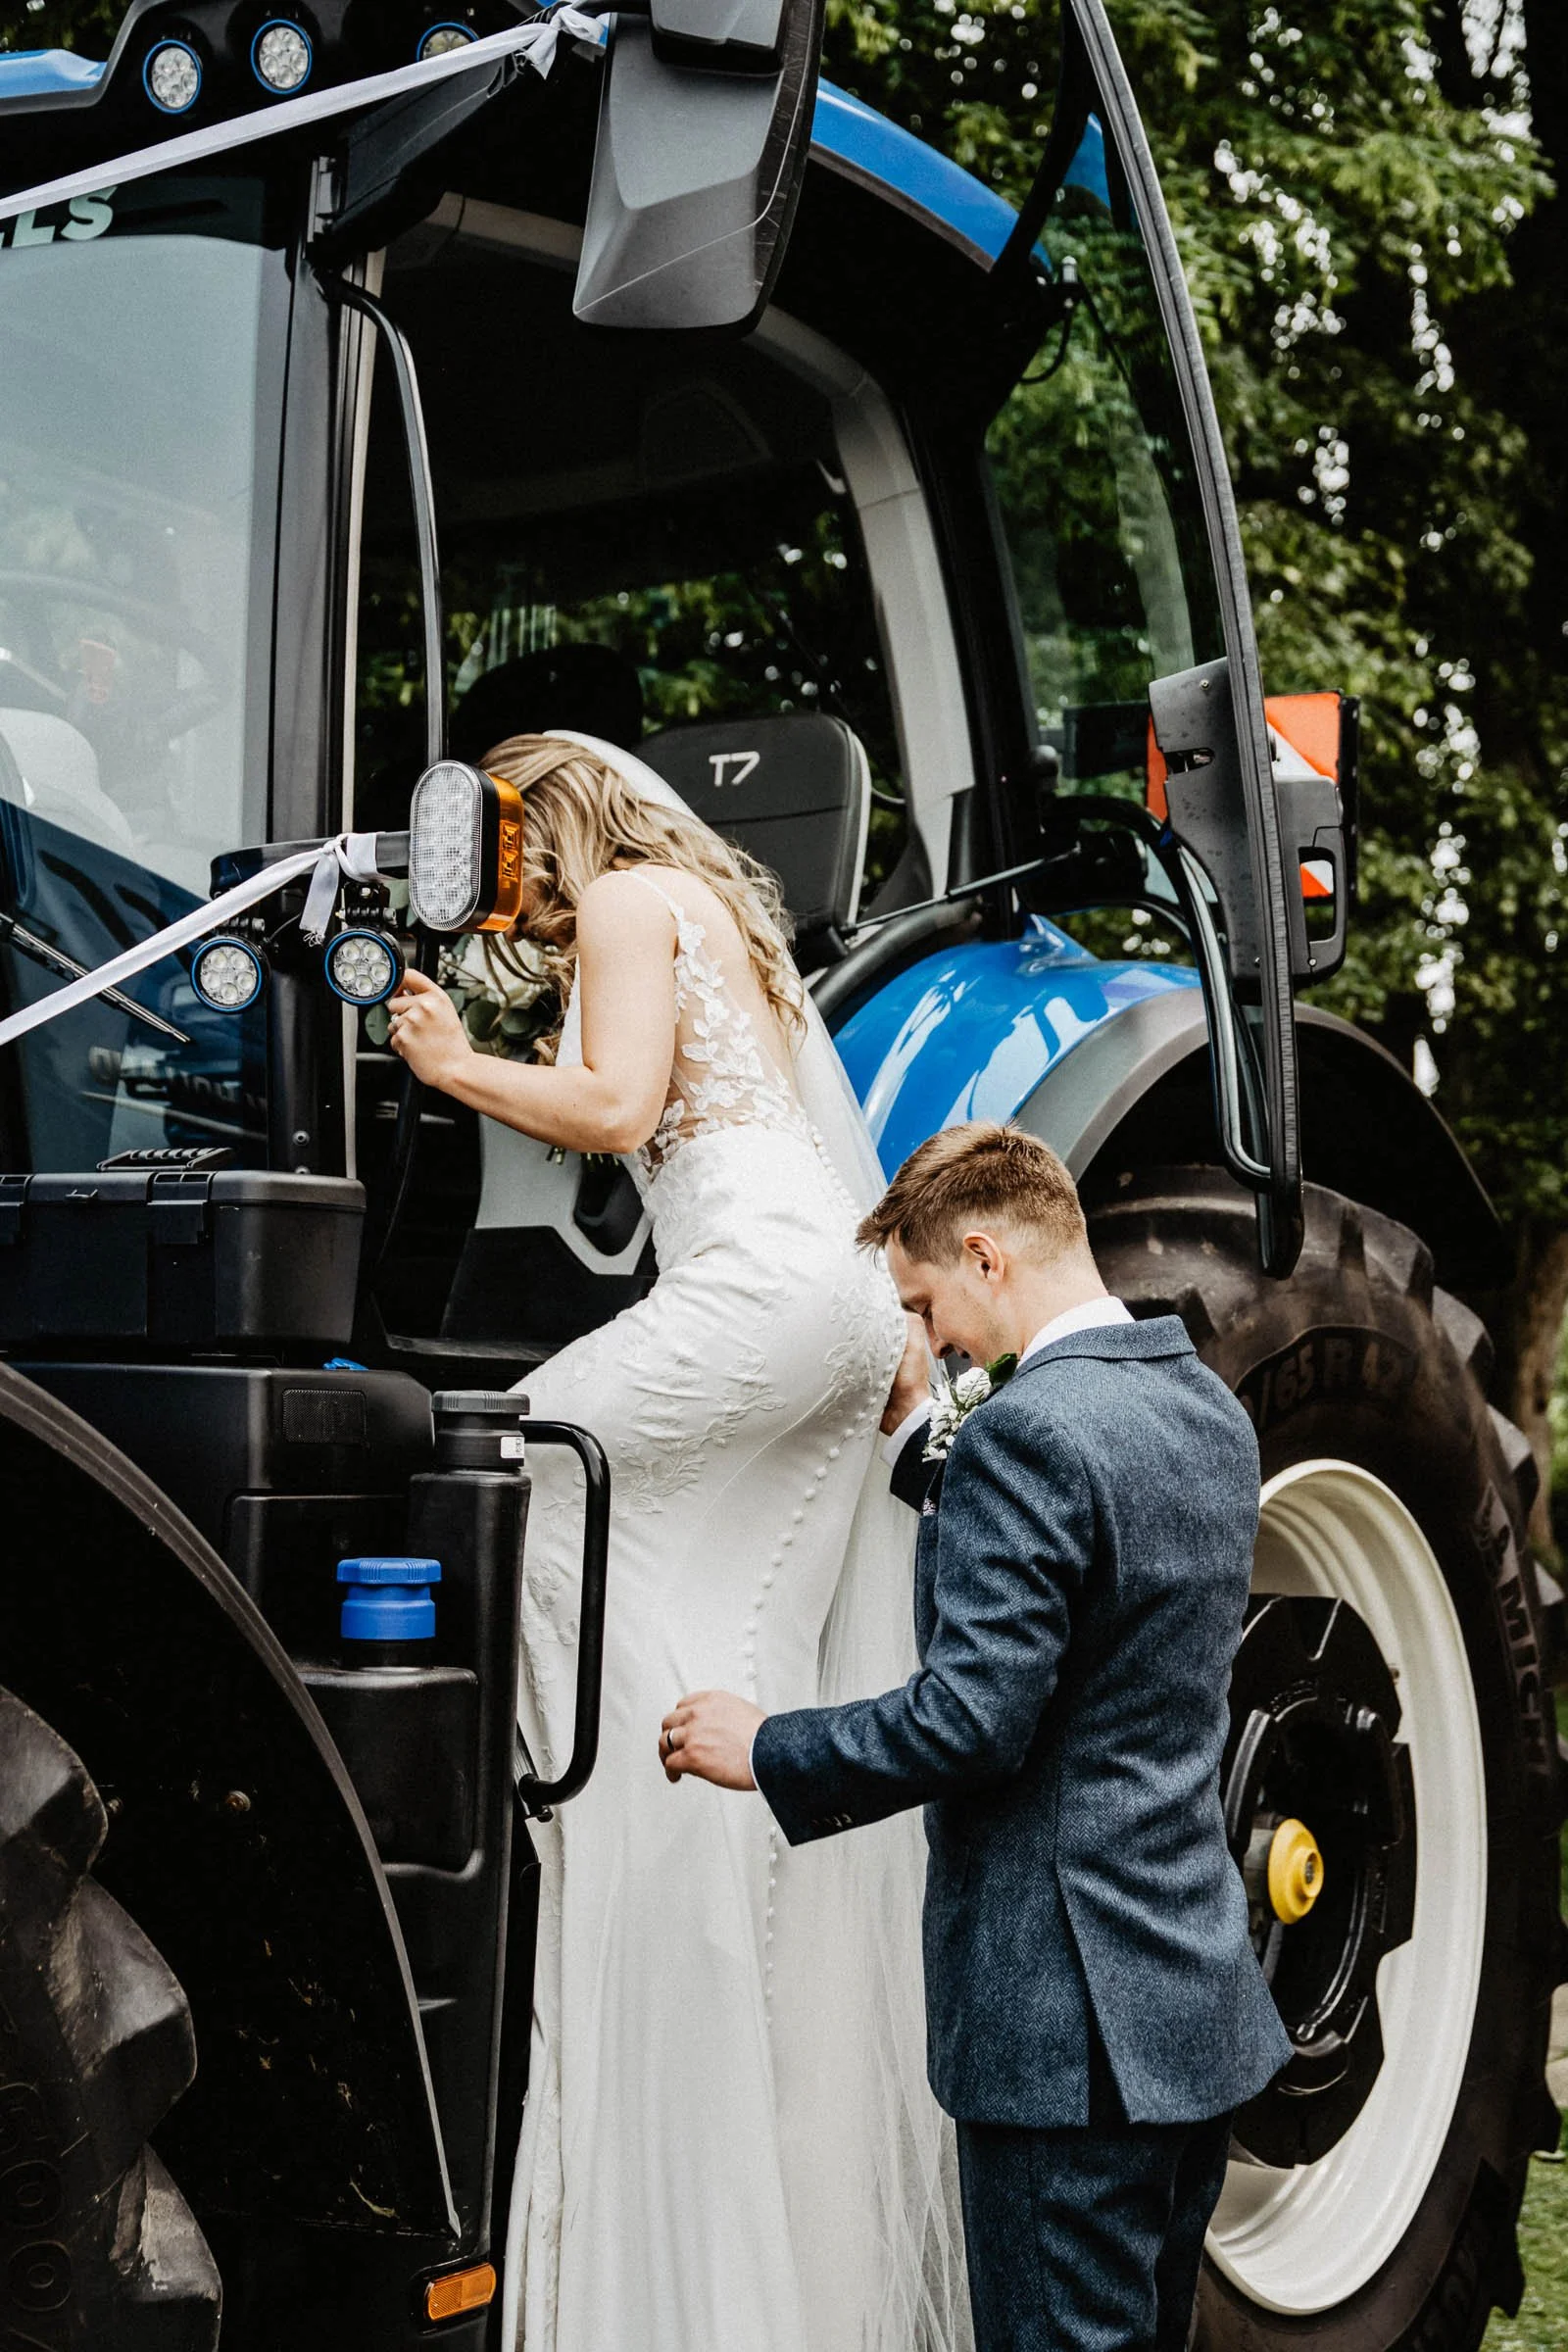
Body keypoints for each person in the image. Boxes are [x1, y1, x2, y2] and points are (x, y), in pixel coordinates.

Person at [384, 731, 967, 2352]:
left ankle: (582, 1822)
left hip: (766, 1290)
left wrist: (448, 1065)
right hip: (839, 1310)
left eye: (505, 847)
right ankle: (695, 1844)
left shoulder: (637, 895)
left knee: (527, 1460)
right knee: (732, 1635)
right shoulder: (710, 912)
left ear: (548, 823)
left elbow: (618, 1103)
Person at [664, 1121, 1292, 2352]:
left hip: (1060, 2042)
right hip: (1187, 2014)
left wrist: (771, 1746)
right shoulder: (1202, 1411)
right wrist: (920, 1428)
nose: (934, 1338)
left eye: (926, 1300)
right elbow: (1076, 1557)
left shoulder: (1023, 1434)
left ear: (986, 1254)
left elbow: (971, 1721)